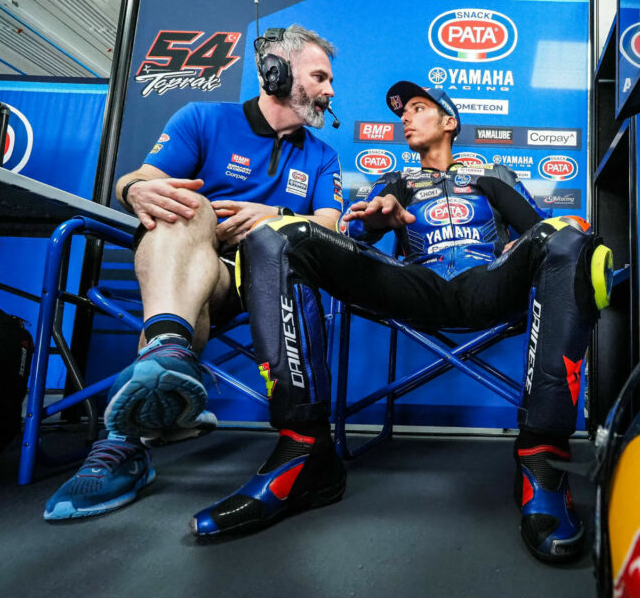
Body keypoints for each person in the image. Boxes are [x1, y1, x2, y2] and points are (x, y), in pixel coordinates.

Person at [194, 81, 613, 563]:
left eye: (418, 109)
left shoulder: (493, 174)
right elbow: (352, 237)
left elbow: (542, 230)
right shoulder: (395, 181)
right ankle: (304, 451)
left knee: (569, 237)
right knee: (276, 237)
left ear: (450, 121)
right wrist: (378, 217)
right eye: (402, 114)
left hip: (488, 284)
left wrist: (523, 247)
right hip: (416, 285)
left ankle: (543, 458)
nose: (405, 120)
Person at [44, 24, 344, 520]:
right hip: (193, 269)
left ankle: (125, 438)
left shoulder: (322, 155)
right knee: (188, 208)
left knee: (201, 238)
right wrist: (132, 190)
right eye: (320, 76)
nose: (331, 90)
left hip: (268, 286)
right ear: (276, 72)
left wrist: (274, 219)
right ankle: (167, 360)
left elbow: (331, 227)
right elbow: (143, 181)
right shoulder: (204, 118)